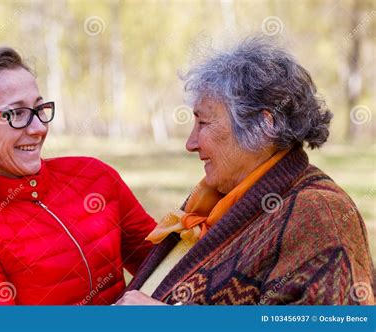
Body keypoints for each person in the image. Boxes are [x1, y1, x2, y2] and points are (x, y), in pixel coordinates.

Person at [116, 36, 374, 305]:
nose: (190, 144)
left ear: (263, 127)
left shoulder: (321, 214)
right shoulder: (215, 200)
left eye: (203, 123)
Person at [0, 47, 155, 305]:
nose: (39, 128)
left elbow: (165, 262)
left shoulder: (94, 176)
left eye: (39, 109)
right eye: (16, 113)